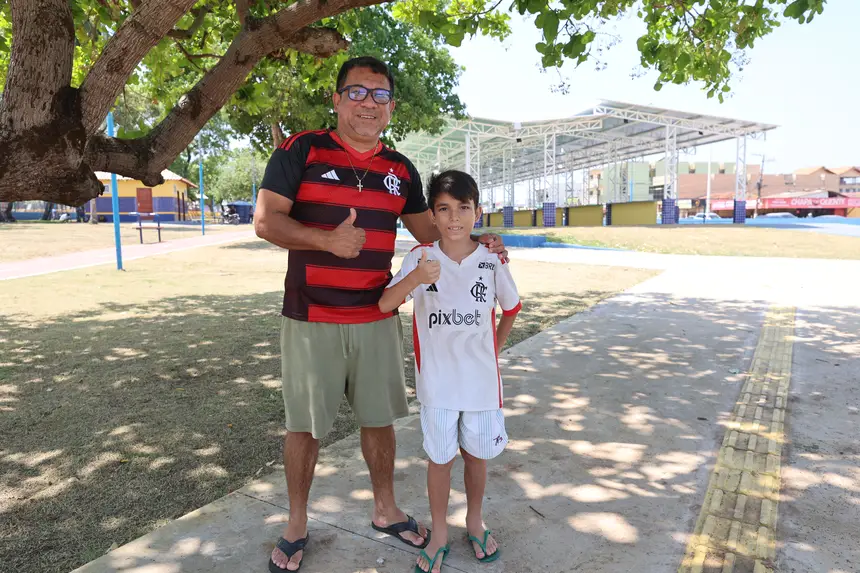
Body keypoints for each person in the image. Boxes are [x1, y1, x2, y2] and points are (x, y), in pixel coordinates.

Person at [254, 56, 507, 572]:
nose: (368, 103)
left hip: (375, 315)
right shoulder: (301, 150)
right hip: (311, 318)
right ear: (337, 99)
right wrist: (327, 240)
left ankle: (385, 509)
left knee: (378, 420)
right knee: (304, 426)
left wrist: (481, 240)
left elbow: (435, 233)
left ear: (391, 106)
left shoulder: (400, 170)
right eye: (357, 92)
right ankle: (297, 522)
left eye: (380, 95)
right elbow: (265, 221)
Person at [379, 170, 521, 573]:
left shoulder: (491, 259)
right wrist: (415, 278)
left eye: (463, 207)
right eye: (444, 209)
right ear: (432, 215)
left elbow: (511, 308)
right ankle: (439, 533)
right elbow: (384, 304)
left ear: (478, 212)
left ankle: (474, 522)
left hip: (480, 387)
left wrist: (493, 350)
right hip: (437, 386)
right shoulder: (420, 257)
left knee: (476, 457)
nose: (454, 217)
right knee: (440, 460)